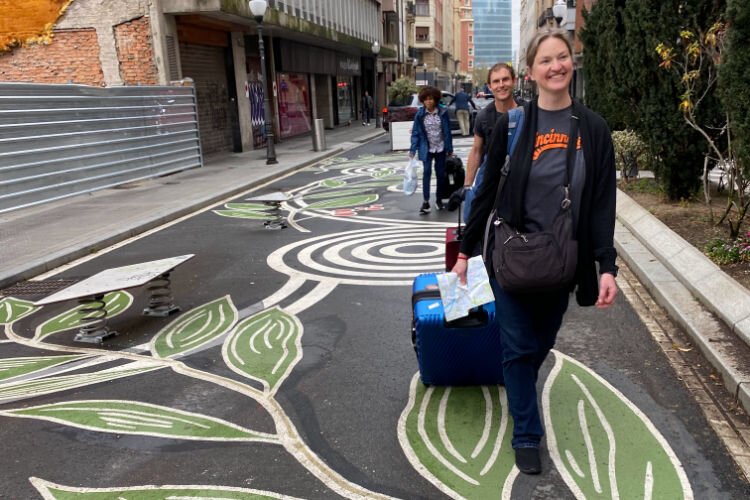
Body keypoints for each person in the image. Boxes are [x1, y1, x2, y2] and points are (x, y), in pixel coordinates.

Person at [451, 29, 618, 475]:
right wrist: (465, 252)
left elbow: (603, 201)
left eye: (562, 57)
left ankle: (519, 378)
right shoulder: (514, 125)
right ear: (532, 72)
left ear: (571, 63)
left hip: (564, 261)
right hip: (512, 253)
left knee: (539, 342)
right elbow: (486, 189)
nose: (556, 66)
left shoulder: (594, 129)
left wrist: (606, 266)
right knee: (518, 345)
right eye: (546, 60)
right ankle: (526, 431)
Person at [463, 63, 519, 221]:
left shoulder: (527, 112)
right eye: (496, 81)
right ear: (490, 86)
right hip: (491, 186)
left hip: (521, 187)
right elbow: (476, 151)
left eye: (505, 79)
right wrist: (467, 187)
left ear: (513, 81)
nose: (501, 85)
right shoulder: (484, 117)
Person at [409, 86, 454, 214]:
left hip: (440, 148)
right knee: (427, 174)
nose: (428, 102)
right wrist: (412, 149)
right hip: (426, 149)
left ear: (435, 100)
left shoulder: (443, 112)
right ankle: (426, 201)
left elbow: (447, 132)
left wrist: (449, 148)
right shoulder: (420, 114)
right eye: (426, 99)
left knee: (440, 175)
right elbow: (416, 133)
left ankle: (439, 199)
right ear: (422, 101)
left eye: (431, 99)